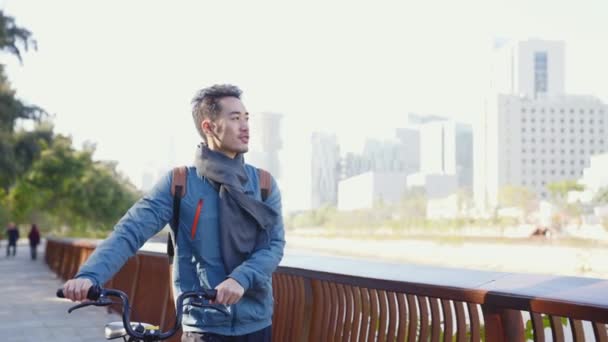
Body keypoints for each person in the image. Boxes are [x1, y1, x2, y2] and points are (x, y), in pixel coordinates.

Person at [62, 84, 285, 342]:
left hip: (255, 324)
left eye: (246, 118)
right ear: (209, 126)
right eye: (235, 118)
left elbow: (273, 246)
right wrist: (90, 275)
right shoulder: (180, 183)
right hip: (203, 325)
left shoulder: (264, 185)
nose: (245, 126)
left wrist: (240, 279)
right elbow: (130, 231)